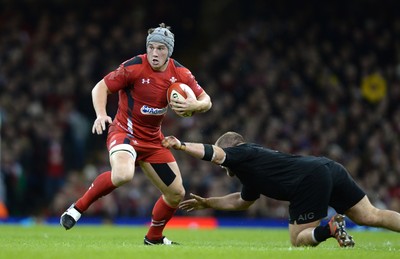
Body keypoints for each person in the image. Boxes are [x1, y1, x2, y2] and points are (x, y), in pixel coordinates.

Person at [60, 23, 212, 245]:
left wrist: (195, 105)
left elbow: (207, 100)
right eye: (151, 47)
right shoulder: (134, 66)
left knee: (176, 193)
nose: (154, 53)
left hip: (153, 141)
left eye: (160, 48)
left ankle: (153, 238)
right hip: (125, 133)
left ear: (169, 51)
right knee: (123, 174)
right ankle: (77, 208)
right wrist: (101, 114)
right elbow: (100, 88)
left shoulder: (180, 73)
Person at [161, 131, 400, 247]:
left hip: (309, 180)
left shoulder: (243, 152)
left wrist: (181, 146)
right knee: (371, 215)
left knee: (298, 240)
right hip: (327, 167)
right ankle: (332, 227)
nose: (225, 168)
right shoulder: (251, 172)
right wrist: (209, 202)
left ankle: (330, 228)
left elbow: (215, 155)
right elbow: (241, 201)